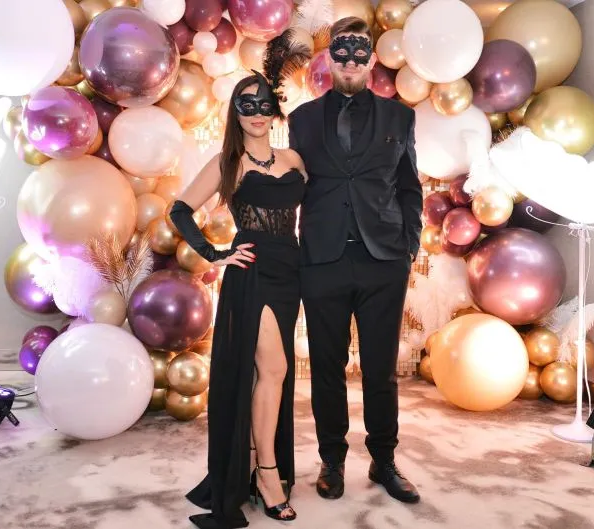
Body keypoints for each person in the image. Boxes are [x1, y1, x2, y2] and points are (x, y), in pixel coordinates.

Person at [169, 31, 311, 529]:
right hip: (251, 274)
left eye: (263, 103)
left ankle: (254, 465)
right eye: (246, 105)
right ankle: (267, 475)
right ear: (235, 113)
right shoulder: (227, 163)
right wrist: (217, 254)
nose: (256, 112)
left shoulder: (294, 160)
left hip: (291, 274)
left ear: (275, 110)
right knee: (273, 369)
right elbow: (180, 210)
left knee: (269, 374)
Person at [287, 17, 423, 504]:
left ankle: (384, 460)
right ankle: (332, 460)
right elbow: (293, 185)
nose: (349, 63)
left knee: (381, 368)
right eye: (341, 54)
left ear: (370, 60)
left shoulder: (399, 118)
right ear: (329, 59)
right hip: (321, 260)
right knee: (327, 366)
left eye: (358, 54)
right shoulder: (301, 119)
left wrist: (409, 247)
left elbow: (409, 187)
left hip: (383, 260)